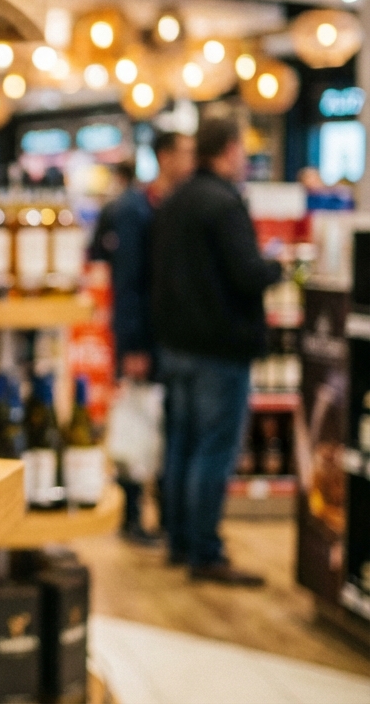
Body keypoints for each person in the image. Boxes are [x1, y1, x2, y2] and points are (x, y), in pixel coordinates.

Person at [151, 115, 281, 586]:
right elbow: (246, 273)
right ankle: (205, 551)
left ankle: (181, 541)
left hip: (177, 344)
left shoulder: (175, 200)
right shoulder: (225, 203)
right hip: (219, 347)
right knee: (213, 449)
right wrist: (276, 268)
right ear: (229, 150)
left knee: (182, 445)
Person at [90, 132, 195, 543]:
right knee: (137, 420)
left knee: (158, 424)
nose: (190, 159)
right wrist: (132, 344)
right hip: (142, 335)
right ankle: (132, 516)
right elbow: (129, 280)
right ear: (165, 157)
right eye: (185, 152)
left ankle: (164, 517)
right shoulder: (136, 207)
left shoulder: (167, 203)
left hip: (164, 333)